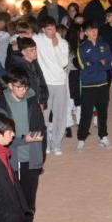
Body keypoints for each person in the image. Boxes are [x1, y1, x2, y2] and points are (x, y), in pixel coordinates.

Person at [0, 68, 47, 222]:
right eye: (18, 87)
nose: (22, 91)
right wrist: (24, 139)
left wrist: (41, 154)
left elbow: (41, 127)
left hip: (32, 158)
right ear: (9, 85)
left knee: (29, 200)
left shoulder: (32, 100)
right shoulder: (0, 107)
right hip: (11, 160)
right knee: (12, 201)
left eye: (25, 87)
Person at [34, 17, 70, 155]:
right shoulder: (37, 40)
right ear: (43, 30)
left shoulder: (63, 43)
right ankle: (46, 144)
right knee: (44, 115)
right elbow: (23, 37)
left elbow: (63, 63)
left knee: (59, 115)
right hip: (45, 84)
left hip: (60, 82)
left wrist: (56, 46)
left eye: (54, 28)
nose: (53, 31)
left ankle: (56, 144)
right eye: (49, 29)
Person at [76, 21, 112, 150]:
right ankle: (81, 138)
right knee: (86, 114)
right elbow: (83, 66)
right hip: (88, 86)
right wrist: (100, 62)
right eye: (91, 30)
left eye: (95, 29)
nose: (94, 32)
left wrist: (94, 63)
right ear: (85, 33)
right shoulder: (82, 48)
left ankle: (103, 136)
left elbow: (109, 64)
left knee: (103, 113)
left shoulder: (104, 45)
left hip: (102, 84)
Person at [6, 37, 48, 109]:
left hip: (38, 101)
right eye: (31, 50)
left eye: (35, 49)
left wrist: (42, 101)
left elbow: (41, 82)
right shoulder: (18, 67)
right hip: (27, 104)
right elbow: (22, 90)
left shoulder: (34, 62)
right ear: (23, 52)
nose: (35, 52)